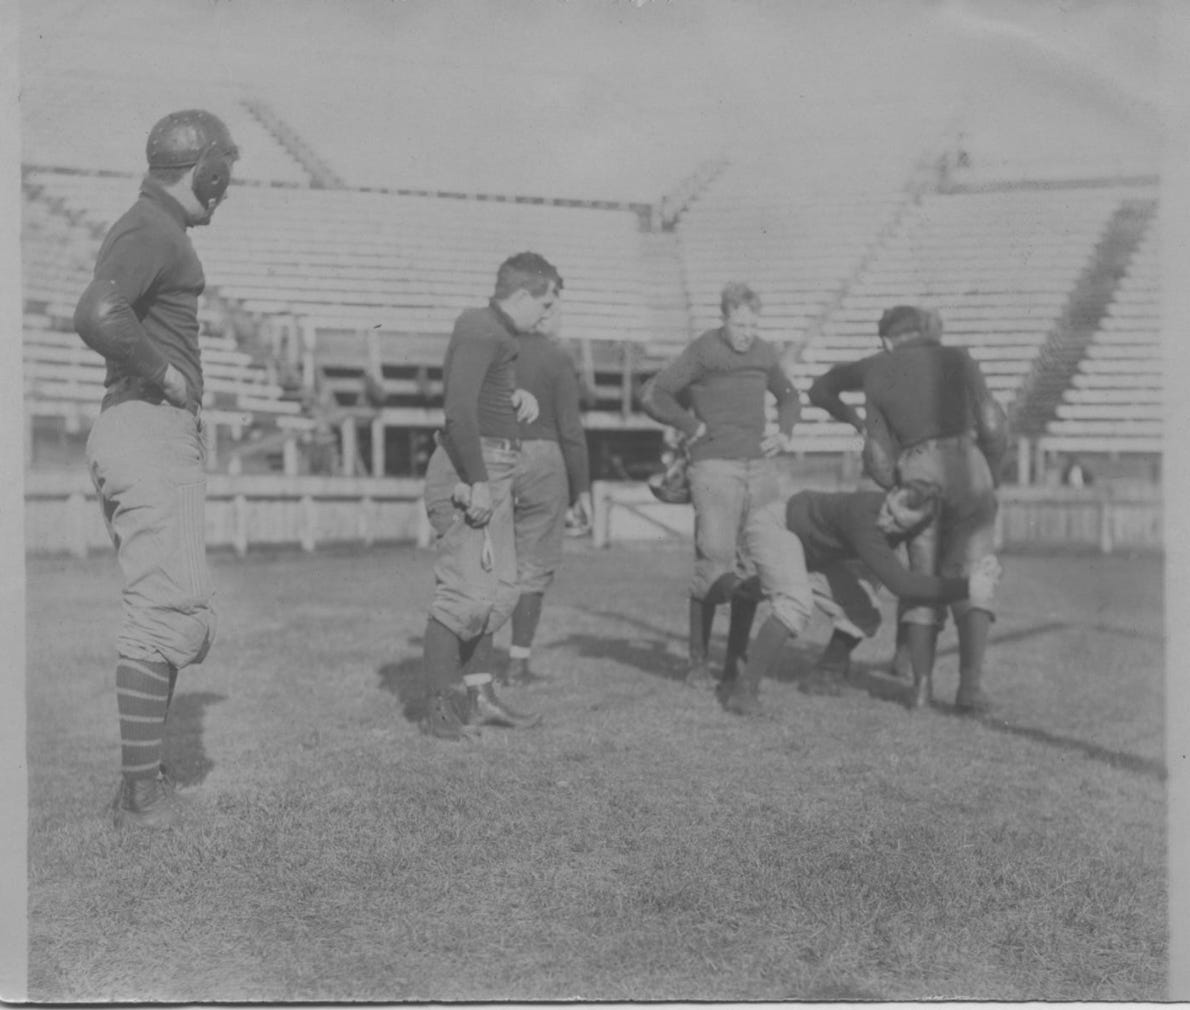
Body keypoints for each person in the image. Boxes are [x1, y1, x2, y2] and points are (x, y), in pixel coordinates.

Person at [73, 110, 239, 829]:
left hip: (140, 428)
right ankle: (139, 796)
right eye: (223, 169)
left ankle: (143, 782)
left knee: (175, 609)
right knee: (166, 609)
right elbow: (97, 312)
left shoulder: (157, 226)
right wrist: (166, 374)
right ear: (205, 169)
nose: (227, 184)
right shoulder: (152, 225)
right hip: (146, 423)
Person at [419, 252, 562, 740]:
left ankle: (479, 699)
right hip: (471, 473)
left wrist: (513, 398)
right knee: (463, 595)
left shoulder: (495, 332)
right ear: (522, 295)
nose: (547, 314)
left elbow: (479, 395)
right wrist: (477, 481)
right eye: (545, 303)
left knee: (499, 592)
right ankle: (440, 711)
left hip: (495, 469)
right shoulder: (481, 328)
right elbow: (459, 410)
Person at [719, 481, 1002, 716]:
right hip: (778, 527)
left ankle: (823, 674)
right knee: (794, 604)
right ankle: (743, 692)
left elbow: (935, 556)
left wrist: (978, 569)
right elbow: (902, 584)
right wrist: (969, 588)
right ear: (891, 495)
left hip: (813, 550)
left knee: (863, 613)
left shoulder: (906, 521)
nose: (886, 520)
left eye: (897, 522)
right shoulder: (865, 516)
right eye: (889, 510)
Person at [641, 283, 802, 689]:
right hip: (714, 466)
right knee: (714, 559)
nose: (747, 333)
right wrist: (689, 424)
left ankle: (735, 662)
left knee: (754, 565)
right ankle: (697, 662)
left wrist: (784, 432)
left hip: (758, 467)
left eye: (753, 325)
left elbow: (789, 396)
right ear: (724, 318)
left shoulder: (763, 352)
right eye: (739, 325)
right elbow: (655, 393)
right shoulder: (704, 350)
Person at [854, 305, 1007, 713]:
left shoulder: (878, 373)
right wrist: (990, 471)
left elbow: (876, 455)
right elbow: (992, 422)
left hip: (918, 468)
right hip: (968, 464)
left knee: (923, 579)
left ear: (887, 341)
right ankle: (970, 688)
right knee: (974, 573)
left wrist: (901, 484)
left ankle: (920, 688)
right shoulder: (959, 357)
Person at [502, 298, 593, 685]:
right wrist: (582, 488)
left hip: (495, 453)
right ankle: (517, 662)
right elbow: (570, 429)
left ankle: (473, 664)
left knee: (488, 561)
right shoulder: (557, 357)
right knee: (533, 566)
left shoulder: (494, 348)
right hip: (542, 457)